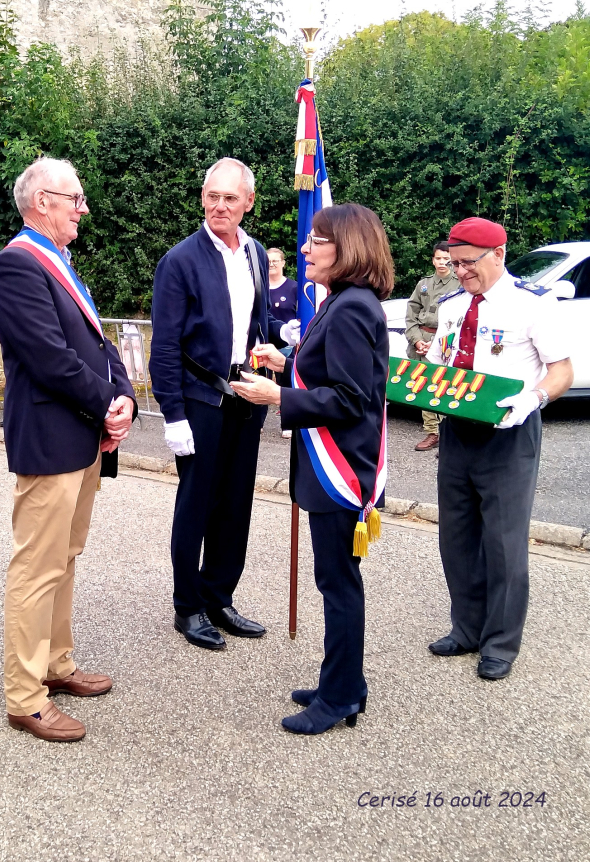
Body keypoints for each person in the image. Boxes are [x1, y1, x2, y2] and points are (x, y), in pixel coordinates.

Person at [0, 157, 137, 742]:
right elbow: (50, 357)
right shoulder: (17, 264)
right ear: (42, 201)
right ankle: (25, 696)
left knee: (65, 556)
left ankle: (55, 663)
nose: (83, 208)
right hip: (51, 438)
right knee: (37, 565)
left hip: (80, 436)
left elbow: (96, 343)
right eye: (75, 198)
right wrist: (106, 403)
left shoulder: (60, 262)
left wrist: (121, 393)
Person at [232, 202, 391, 735]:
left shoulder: (349, 307)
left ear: (346, 247)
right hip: (335, 463)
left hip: (340, 468)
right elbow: (330, 370)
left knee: (338, 584)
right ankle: (341, 681)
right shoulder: (346, 301)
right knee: (337, 580)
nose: (305, 248)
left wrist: (277, 395)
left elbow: (348, 399)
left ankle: (342, 695)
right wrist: (286, 363)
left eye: (316, 240)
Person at [425, 217, 573, 681]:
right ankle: (466, 628)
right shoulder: (451, 305)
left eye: (470, 263)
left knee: (504, 542)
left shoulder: (533, 305)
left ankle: (500, 642)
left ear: (499, 255)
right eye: (455, 262)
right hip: (458, 431)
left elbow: (562, 370)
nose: (462, 272)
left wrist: (533, 397)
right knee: (457, 536)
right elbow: (438, 362)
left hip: (509, 433)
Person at [150, 157, 285, 651]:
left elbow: (258, 322)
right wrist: (173, 413)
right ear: (203, 197)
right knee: (197, 504)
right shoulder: (180, 260)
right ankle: (188, 606)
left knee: (235, 503)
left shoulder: (251, 253)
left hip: (245, 395)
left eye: (231, 198)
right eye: (212, 196)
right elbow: (163, 345)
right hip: (199, 398)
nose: (219, 206)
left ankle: (219, 596)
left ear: (248, 202)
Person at [405, 241, 459, 451]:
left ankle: (449, 433)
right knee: (423, 387)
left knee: (445, 386)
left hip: (443, 342)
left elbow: (458, 321)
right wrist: (417, 339)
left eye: (447, 259)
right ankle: (432, 432)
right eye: (438, 258)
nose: (442, 263)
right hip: (421, 340)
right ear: (433, 259)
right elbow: (411, 314)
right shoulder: (424, 284)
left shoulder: (459, 284)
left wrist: (435, 344)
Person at [268, 247, 300, 439]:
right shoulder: (258, 287)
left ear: (283, 263)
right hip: (263, 345)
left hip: (287, 347)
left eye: (275, 261)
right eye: (268, 261)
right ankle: (256, 422)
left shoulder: (294, 288)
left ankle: (287, 423)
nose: (271, 264)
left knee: (286, 386)